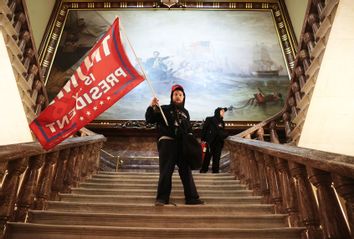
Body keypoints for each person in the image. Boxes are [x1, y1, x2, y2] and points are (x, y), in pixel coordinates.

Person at [145, 84, 204, 206]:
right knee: (166, 170)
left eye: (180, 95)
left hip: (183, 145)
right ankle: (162, 198)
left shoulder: (186, 112)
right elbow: (150, 119)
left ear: (184, 97)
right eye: (175, 94)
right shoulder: (164, 109)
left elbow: (189, 129)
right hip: (168, 143)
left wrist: (192, 140)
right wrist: (152, 106)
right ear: (172, 96)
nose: (178, 96)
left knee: (186, 171)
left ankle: (192, 198)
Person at [200, 107, 229, 173]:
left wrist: (227, 134)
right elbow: (204, 129)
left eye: (223, 112)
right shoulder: (209, 119)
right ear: (218, 112)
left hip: (218, 142)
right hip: (210, 142)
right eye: (222, 112)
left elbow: (222, 132)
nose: (223, 113)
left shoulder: (222, 122)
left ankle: (215, 171)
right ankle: (204, 170)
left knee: (217, 157)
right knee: (207, 157)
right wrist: (203, 139)